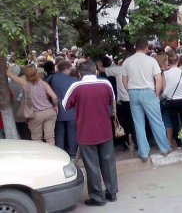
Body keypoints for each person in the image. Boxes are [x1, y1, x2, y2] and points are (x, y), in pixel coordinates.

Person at [62, 61, 118, 206]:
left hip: (86, 132)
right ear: (96, 72)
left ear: (79, 74)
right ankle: (112, 192)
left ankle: (97, 197)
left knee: (92, 166)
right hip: (105, 129)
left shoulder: (76, 86)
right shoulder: (106, 84)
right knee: (108, 162)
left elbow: (65, 105)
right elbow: (112, 101)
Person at [122, 38, 172, 161]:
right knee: (156, 121)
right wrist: (156, 93)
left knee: (138, 123)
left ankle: (143, 152)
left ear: (135, 47)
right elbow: (158, 79)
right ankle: (164, 148)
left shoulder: (127, 61)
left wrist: (129, 90)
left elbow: (124, 80)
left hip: (133, 92)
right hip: (148, 92)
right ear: (146, 48)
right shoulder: (151, 60)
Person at [7, 64, 58, 144]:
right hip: (49, 111)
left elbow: (9, 74)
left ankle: (40, 155)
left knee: (37, 138)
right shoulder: (43, 83)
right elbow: (54, 97)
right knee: (50, 136)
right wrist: (55, 105)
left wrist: (11, 66)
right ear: (36, 72)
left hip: (35, 114)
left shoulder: (25, 84)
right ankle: (52, 154)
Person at [162, 52, 182, 148]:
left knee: (174, 122)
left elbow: (163, 88)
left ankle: (178, 144)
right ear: (178, 61)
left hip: (171, 100)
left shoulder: (165, 73)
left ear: (168, 62)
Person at [50, 60, 78, 158]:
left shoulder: (52, 79)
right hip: (71, 111)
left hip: (57, 111)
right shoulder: (73, 81)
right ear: (66, 69)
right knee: (72, 133)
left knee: (59, 133)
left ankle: (60, 154)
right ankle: (72, 154)